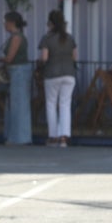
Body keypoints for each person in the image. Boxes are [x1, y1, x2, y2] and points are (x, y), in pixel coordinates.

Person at [38, 9, 77, 147]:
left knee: (51, 104)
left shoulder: (47, 38)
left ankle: (53, 136)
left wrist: (41, 64)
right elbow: (74, 57)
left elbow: (44, 57)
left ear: (50, 23)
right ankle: (64, 136)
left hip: (52, 74)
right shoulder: (70, 38)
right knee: (65, 104)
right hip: (69, 73)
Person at [0, 11, 32, 145]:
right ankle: (16, 135)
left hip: (18, 72)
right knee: (16, 104)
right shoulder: (16, 36)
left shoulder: (16, 37)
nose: (4, 24)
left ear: (11, 22)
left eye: (6, 21)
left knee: (18, 105)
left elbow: (9, 58)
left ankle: (19, 137)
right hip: (17, 72)